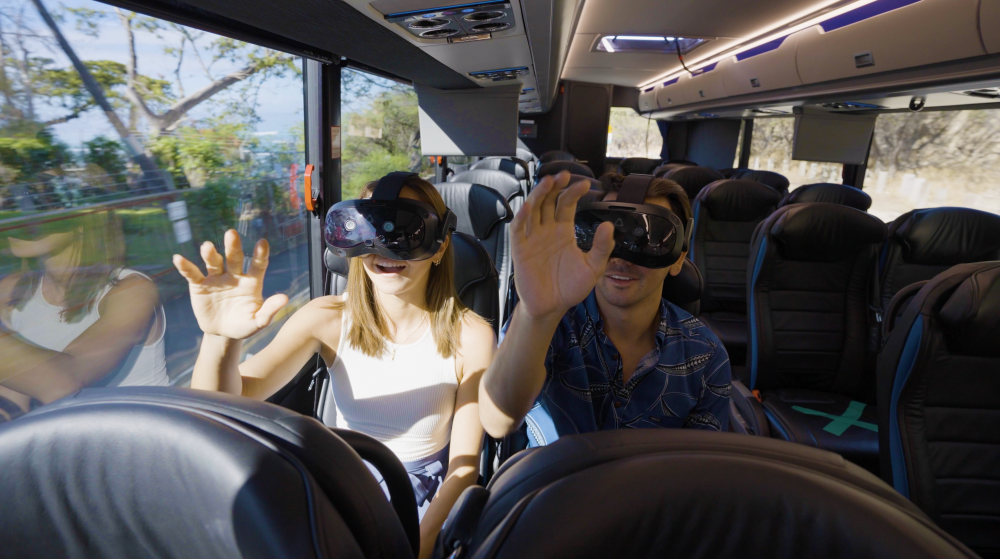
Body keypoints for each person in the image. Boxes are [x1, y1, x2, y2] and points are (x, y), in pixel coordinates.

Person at [172, 173, 495, 559]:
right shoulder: (325, 317)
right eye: (368, 231)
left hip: (417, 504)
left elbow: (463, 471)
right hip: (340, 485)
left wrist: (416, 548)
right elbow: (225, 400)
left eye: (405, 233)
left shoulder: (471, 336)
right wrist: (220, 339)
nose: (384, 249)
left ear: (440, 246)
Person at [479, 171, 731, 443]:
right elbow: (496, 421)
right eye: (606, 237)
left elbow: (698, 466)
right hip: (553, 481)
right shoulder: (552, 323)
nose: (620, 259)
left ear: (678, 259)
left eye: (645, 241)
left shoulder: (705, 354)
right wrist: (534, 315)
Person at [0, 210, 168, 420]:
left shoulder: (132, 289)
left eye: (40, 204)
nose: (18, 217)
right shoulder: (13, 290)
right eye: (12, 203)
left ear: (83, 220)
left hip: (139, 442)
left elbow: (67, 381)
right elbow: (17, 393)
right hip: (64, 442)